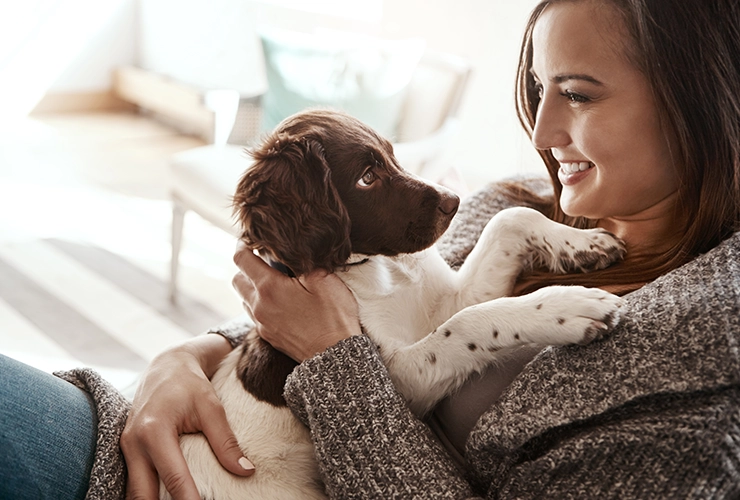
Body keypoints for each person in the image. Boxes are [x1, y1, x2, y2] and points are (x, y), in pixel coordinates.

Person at [1, 0, 738, 498]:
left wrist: (328, 360)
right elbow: (333, 300)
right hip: (164, 448)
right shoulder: (519, 203)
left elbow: (339, 341)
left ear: (704, 95)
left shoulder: (701, 370)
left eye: (578, 93)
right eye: (540, 88)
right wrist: (187, 357)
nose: (541, 132)